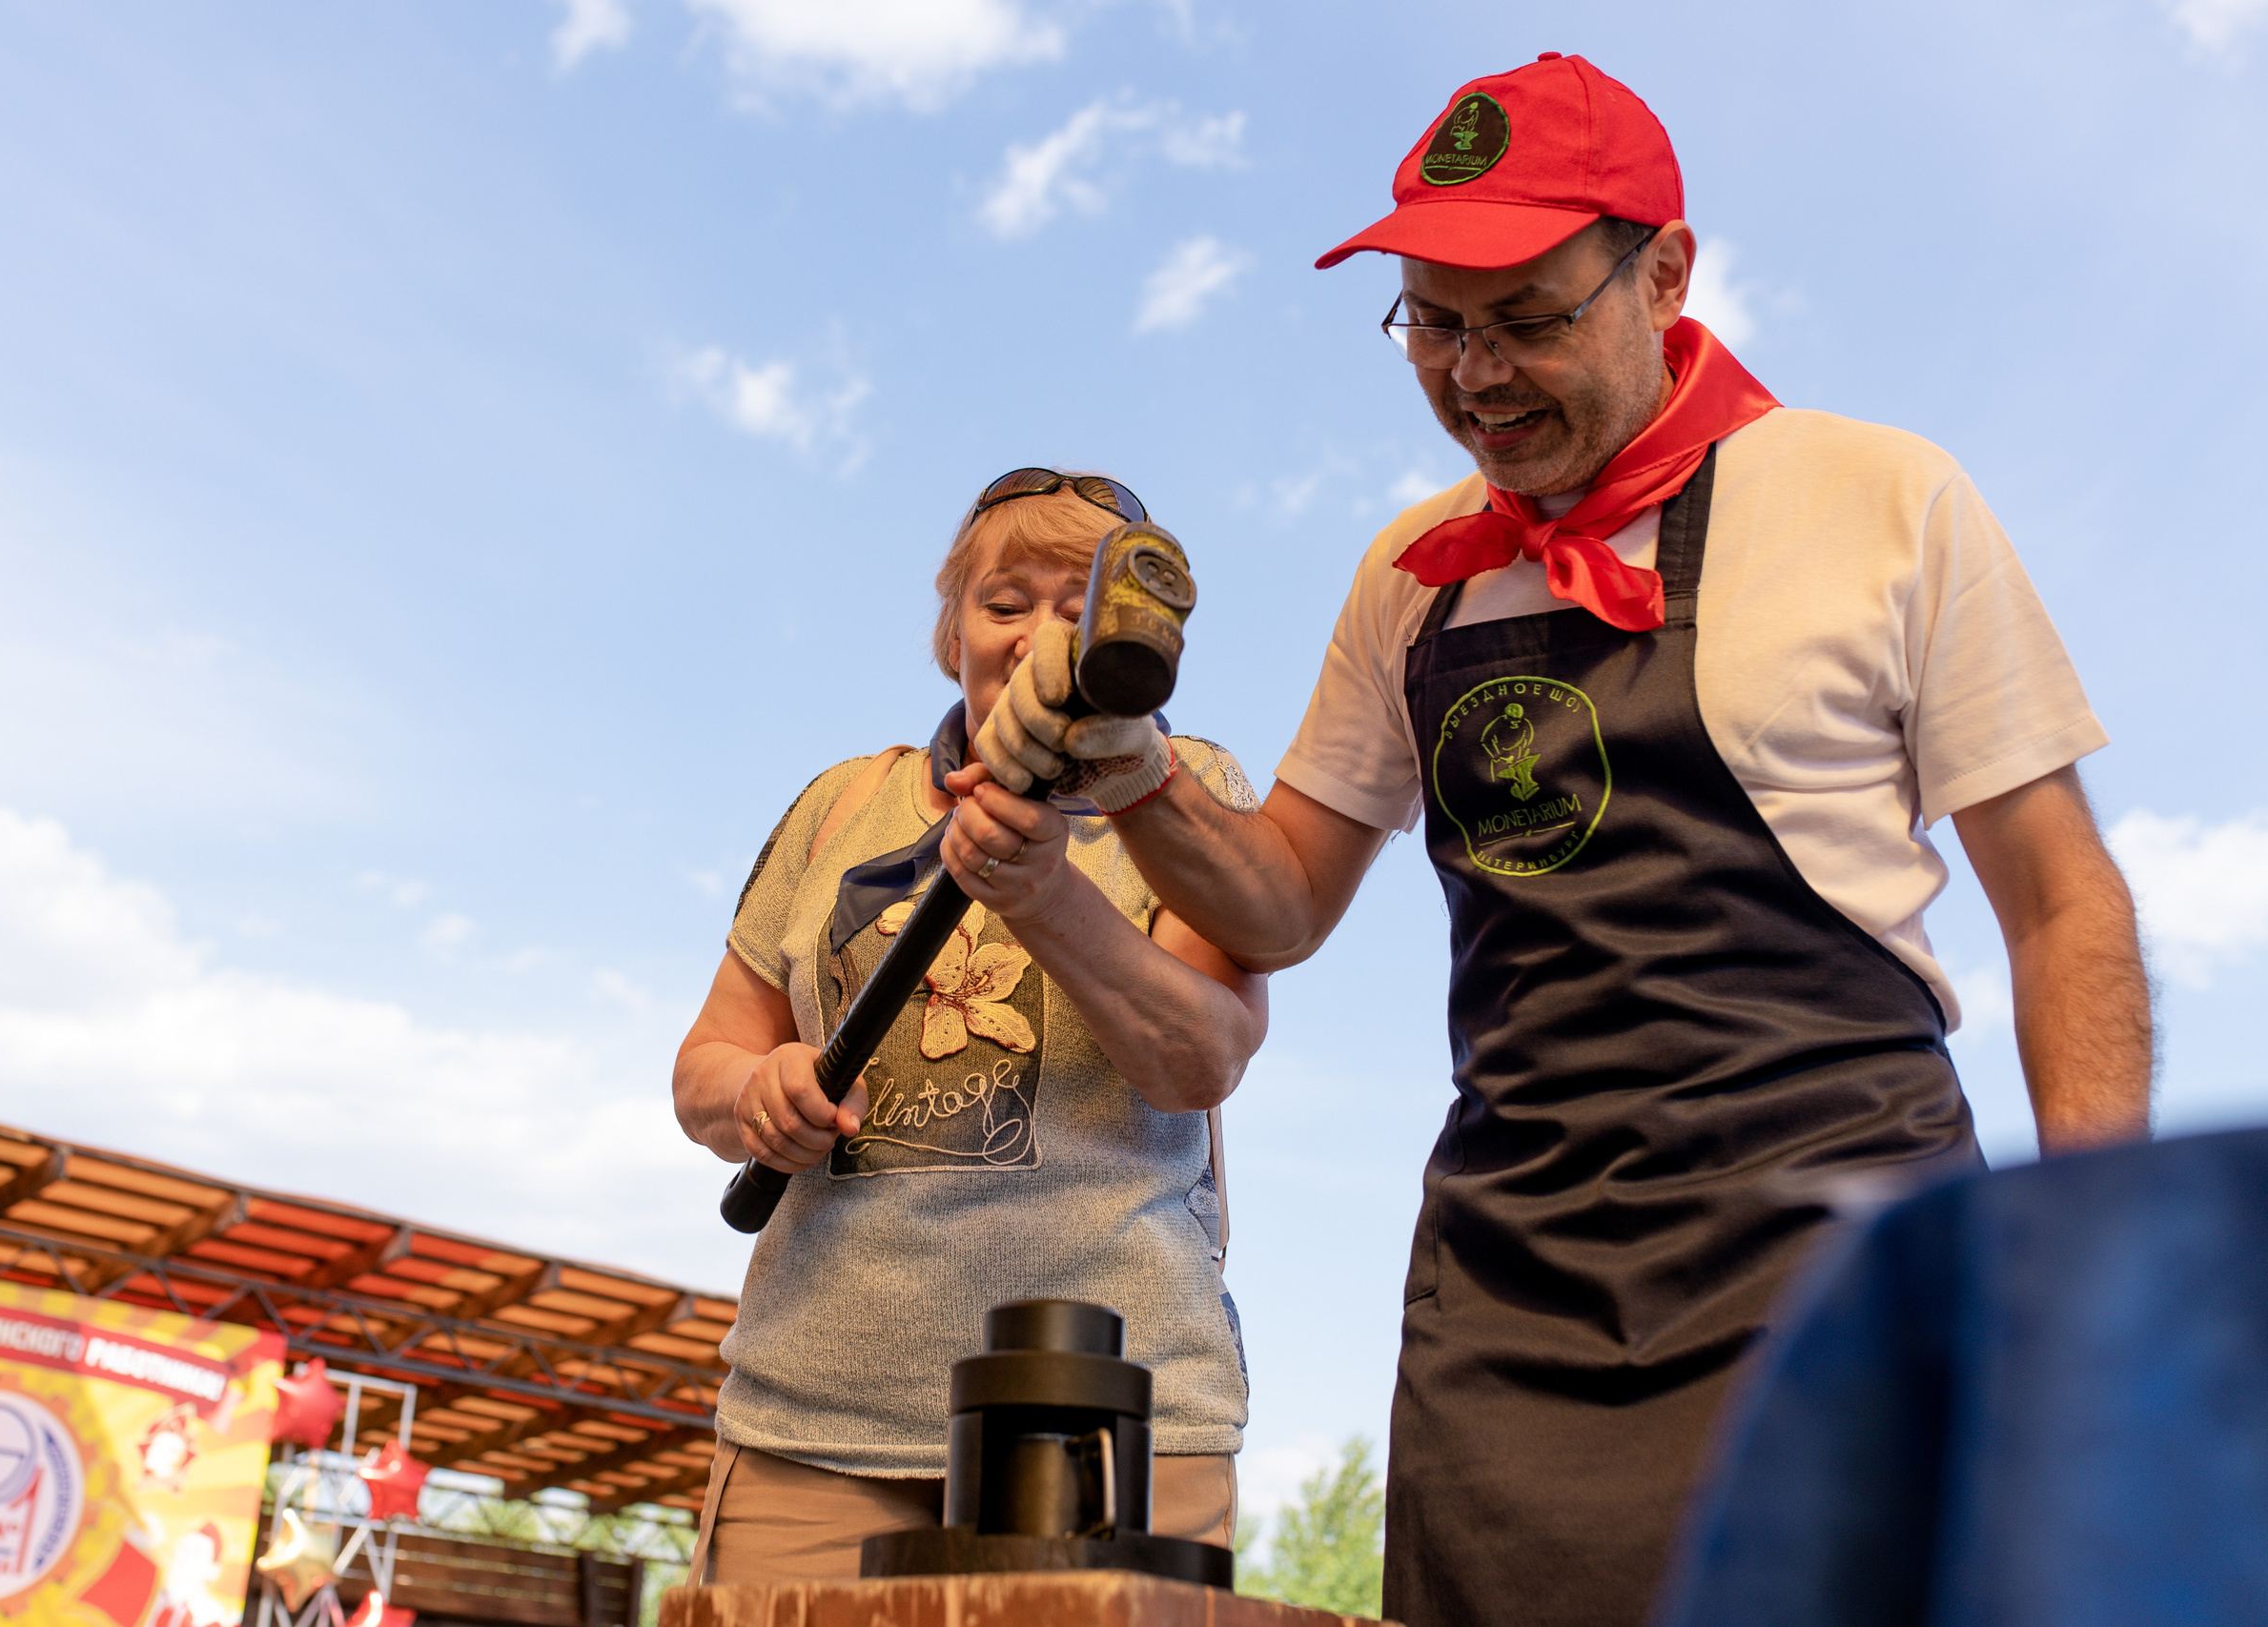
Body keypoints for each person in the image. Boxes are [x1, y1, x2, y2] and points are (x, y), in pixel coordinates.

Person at [955, 54, 2154, 1627]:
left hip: (1838, 1261)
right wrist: (1135, 771)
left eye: (1526, 318)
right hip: (1513, 1298)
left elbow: (2063, 904)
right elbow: (1283, 899)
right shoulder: (1415, 571)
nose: (1477, 374)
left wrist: (2093, 1263)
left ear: (1665, 273)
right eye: (1433, 323)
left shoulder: (1880, 499)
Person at [672, 467, 1267, 1583]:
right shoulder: (841, 804)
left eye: (1080, 609)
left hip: (1108, 1425)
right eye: (1004, 603)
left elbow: (1200, 1059)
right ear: (953, 633)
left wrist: (1046, 898)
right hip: (811, 1419)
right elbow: (704, 1065)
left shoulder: (1189, 790)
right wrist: (754, 1091)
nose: (1038, 636)